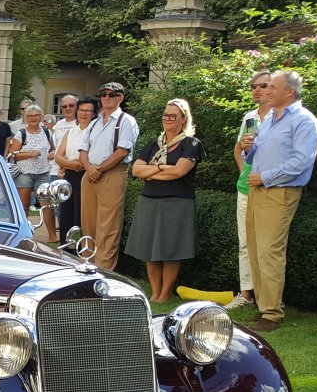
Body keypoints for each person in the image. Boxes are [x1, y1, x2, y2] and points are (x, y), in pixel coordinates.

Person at [242, 70, 317, 332]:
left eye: (272, 87)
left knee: (269, 251)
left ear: (289, 92)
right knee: (255, 250)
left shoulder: (304, 120)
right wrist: (250, 150)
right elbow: (258, 154)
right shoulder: (269, 119)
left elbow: (301, 161)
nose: (267, 91)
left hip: (279, 191)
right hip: (257, 190)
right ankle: (264, 307)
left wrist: (265, 177)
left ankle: (272, 314)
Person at [127, 99, 205, 303]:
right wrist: (162, 168)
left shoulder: (191, 144)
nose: (167, 119)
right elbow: (136, 170)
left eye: (172, 116)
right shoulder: (154, 144)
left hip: (177, 203)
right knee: (150, 250)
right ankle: (155, 292)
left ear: (183, 119)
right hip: (149, 201)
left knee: (172, 250)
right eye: (165, 115)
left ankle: (164, 294)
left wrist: (151, 172)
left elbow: (179, 171)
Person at [77, 82, 141, 271]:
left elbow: (122, 151)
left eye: (111, 94)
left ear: (120, 98)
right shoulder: (94, 122)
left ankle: (104, 271)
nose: (106, 97)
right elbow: (83, 150)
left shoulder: (126, 121)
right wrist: (89, 168)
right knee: (88, 224)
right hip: (90, 174)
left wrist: (99, 169)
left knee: (108, 226)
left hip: (112, 173)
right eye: (103, 94)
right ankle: (87, 267)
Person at [229, 71, 273, 311]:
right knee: (245, 242)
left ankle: (268, 297)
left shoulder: (281, 117)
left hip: (271, 187)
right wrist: (242, 171)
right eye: (253, 86)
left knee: (267, 246)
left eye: (263, 86)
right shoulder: (249, 117)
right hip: (246, 187)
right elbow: (239, 148)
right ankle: (246, 294)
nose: (256, 90)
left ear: (274, 88)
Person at [7, 105, 56, 240]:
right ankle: (22, 235)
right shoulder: (21, 134)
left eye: (36, 115)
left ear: (41, 117)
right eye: (30, 116)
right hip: (24, 173)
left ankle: (53, 236)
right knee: (24, 205)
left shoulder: (47, 132)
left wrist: (53, 153)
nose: (33, 118)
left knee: (47, 204)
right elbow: (12, 155)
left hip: (43, 172)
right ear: (26, 118)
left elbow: (52, 148)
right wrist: (29, 154)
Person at [54, 98, 98, 240]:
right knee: (66, 213)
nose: (84, 113)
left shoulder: (95, 132)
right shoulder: (71, 132)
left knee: (80, 214)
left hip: (84, 176)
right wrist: (70, 164)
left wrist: (70, 163)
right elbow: (58, 156)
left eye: (88, 111)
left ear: (94, 114)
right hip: (69, 175)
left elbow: (87, 160)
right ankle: (66, 247)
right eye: (81, 110)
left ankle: (81, 247)